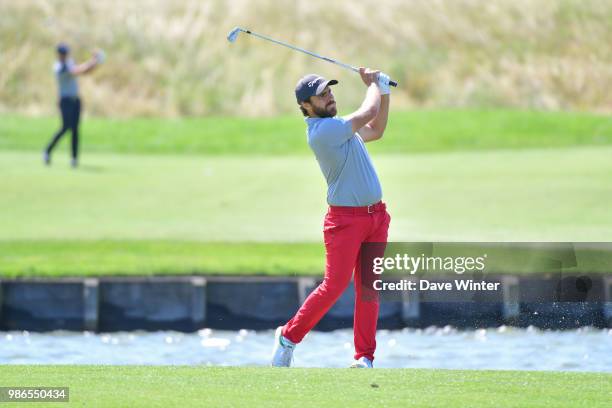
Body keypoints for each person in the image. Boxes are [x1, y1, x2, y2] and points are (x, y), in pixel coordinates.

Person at [271, 68, 392, 368]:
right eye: (321, 95)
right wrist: (375, 85)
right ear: (306, 107)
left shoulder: (339, 127)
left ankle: (364, 357)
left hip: (376, 217)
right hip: (345, 222)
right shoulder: (323, 132)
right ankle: (288, 337)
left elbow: (376, 129)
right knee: (334, 286)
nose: (329, 97)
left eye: (330, 91)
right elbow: (369, 111)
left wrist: (385, 91)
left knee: (368, 287)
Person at [44, 43, 101, 168]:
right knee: (66, 127)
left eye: (66, 53)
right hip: (65, 101)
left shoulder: (69, 62)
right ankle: (48, 150)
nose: (65, 55)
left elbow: (85, 72)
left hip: (75, 101)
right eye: (63, 53)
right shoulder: (59, 67)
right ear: (58, 54)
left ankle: (74, 159)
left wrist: (95, 62)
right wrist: (94, 60)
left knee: (75, 129)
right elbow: (78, 71)